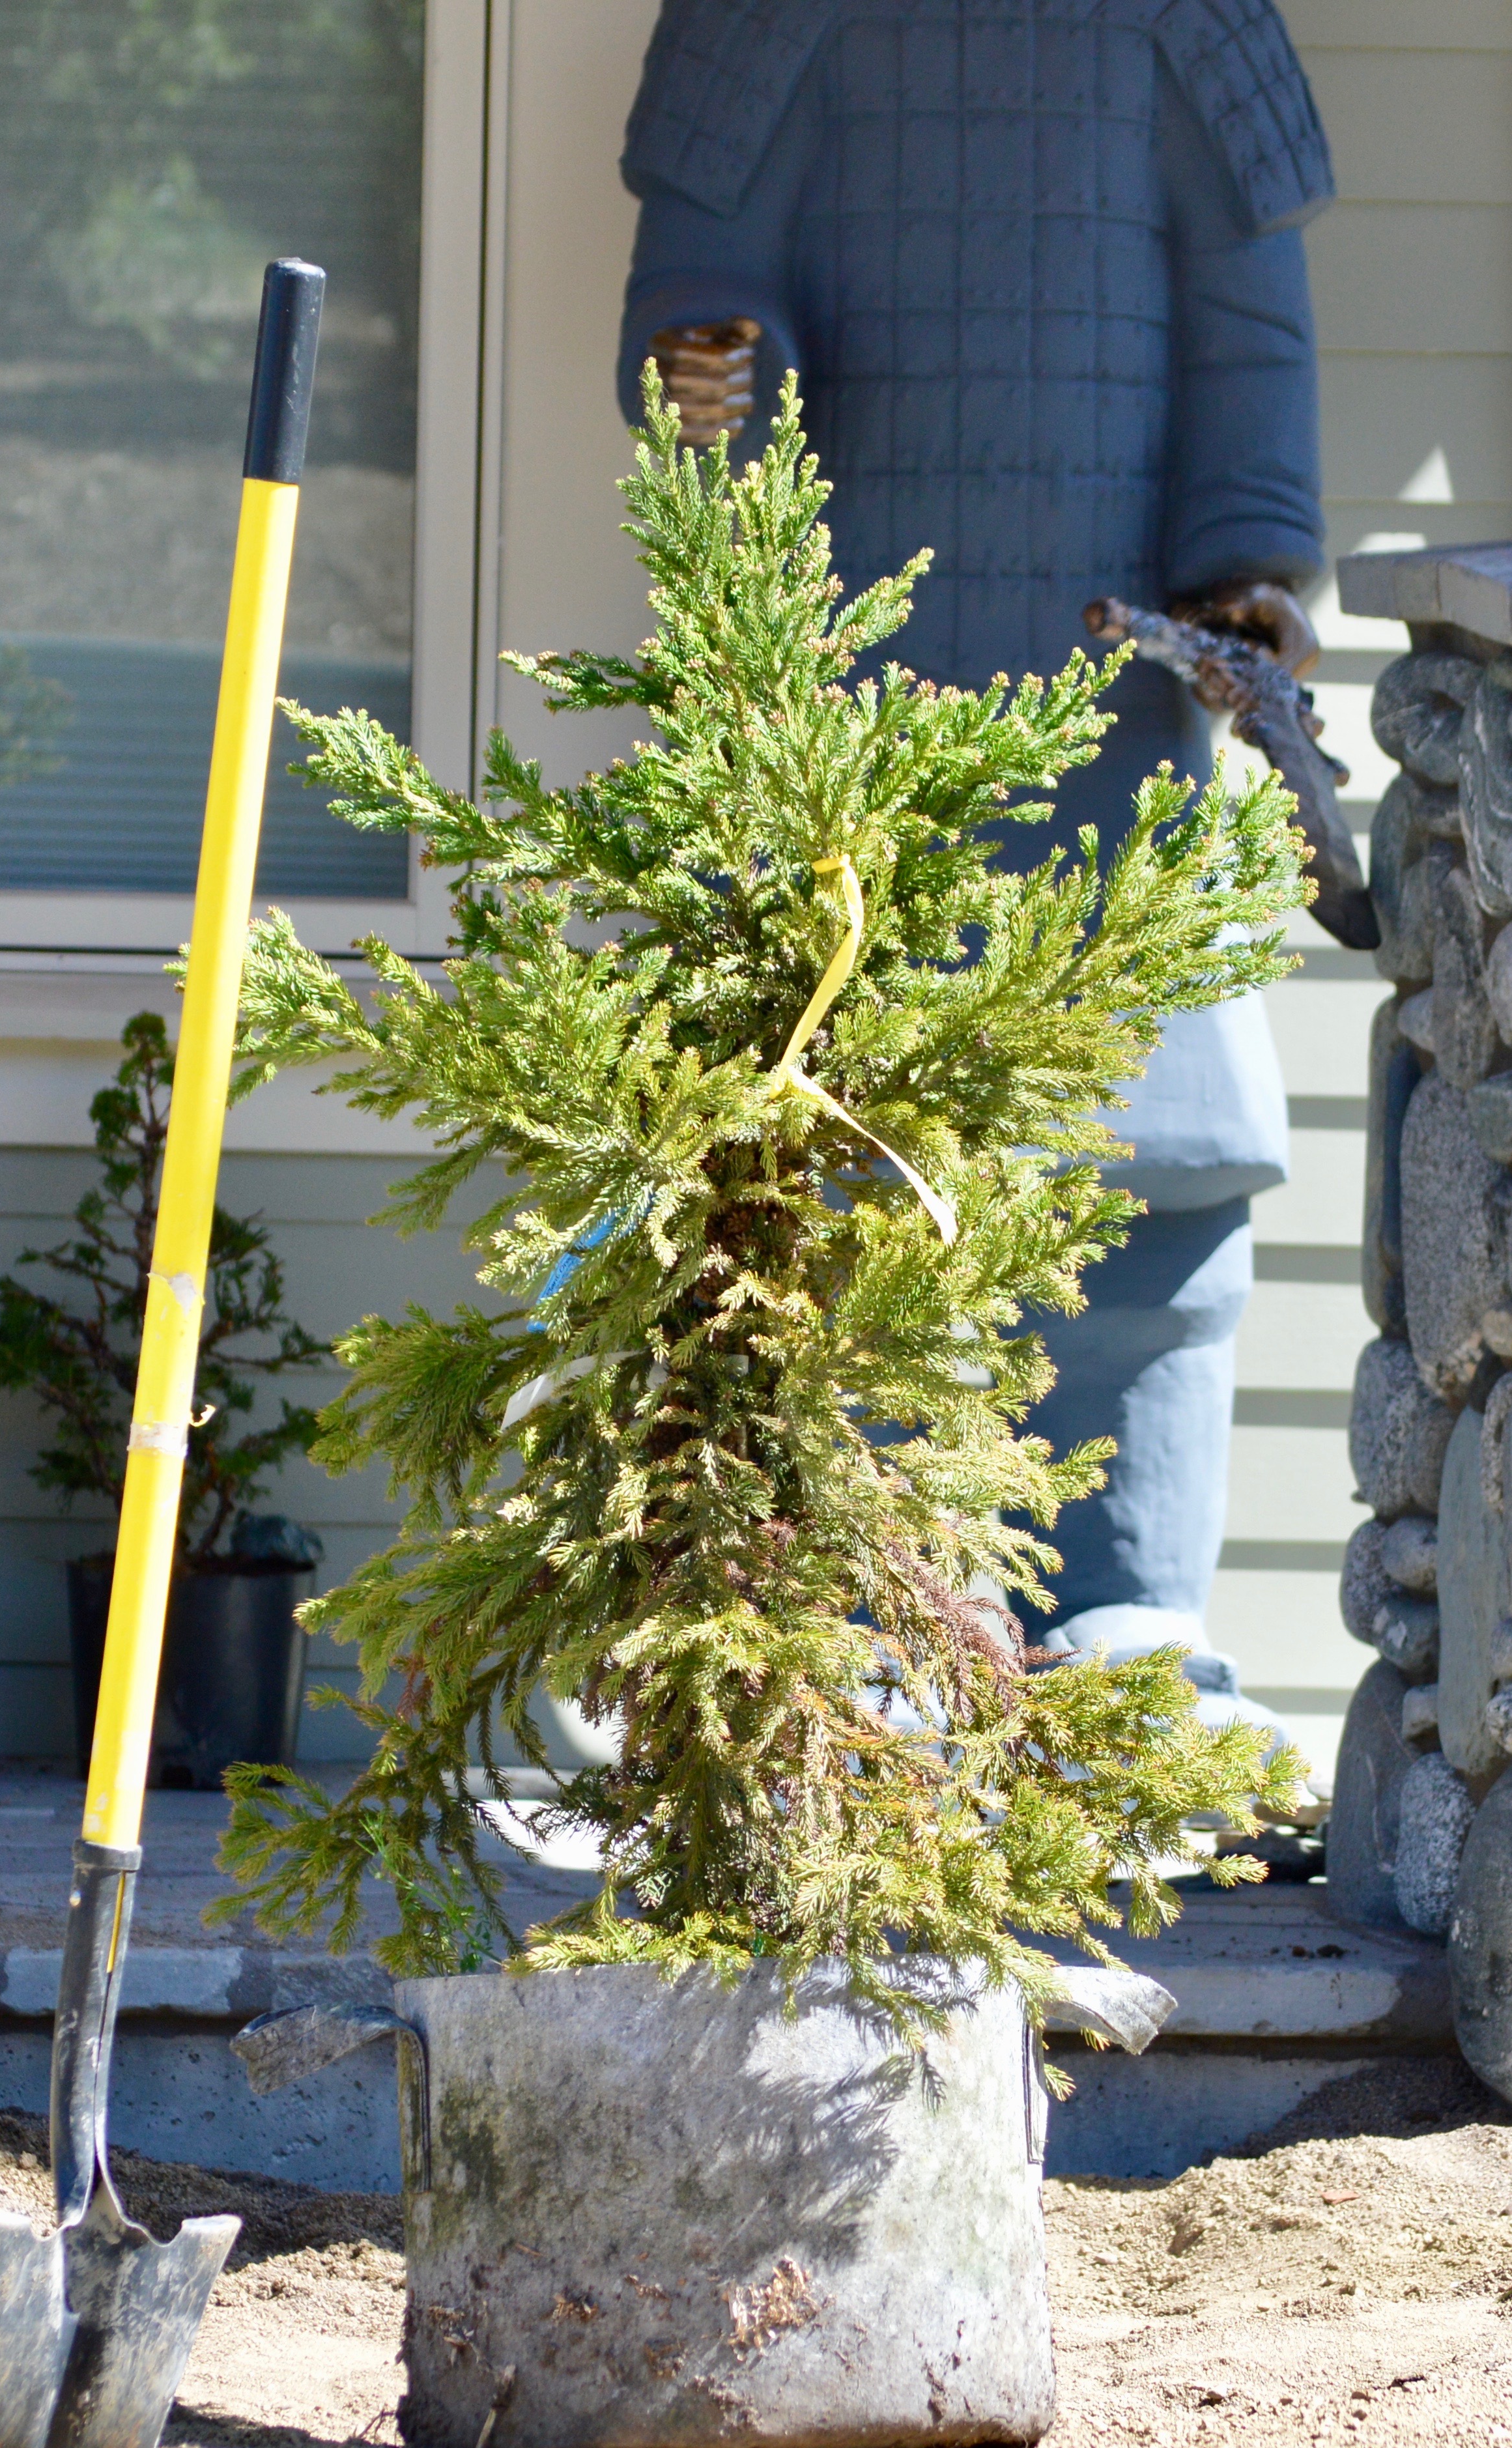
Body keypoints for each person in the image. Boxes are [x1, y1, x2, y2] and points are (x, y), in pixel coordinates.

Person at [617, 0, 1332, 1735]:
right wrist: (713, 378)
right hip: (853, 720)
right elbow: (703, 292)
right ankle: (853, 1599)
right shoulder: (762, 20)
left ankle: (1130, 1608)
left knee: (1155, 1179)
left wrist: (1249, 570)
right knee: (834, 1163)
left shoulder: (1186, 22)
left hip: (1117, 707)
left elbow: (1249, 332)